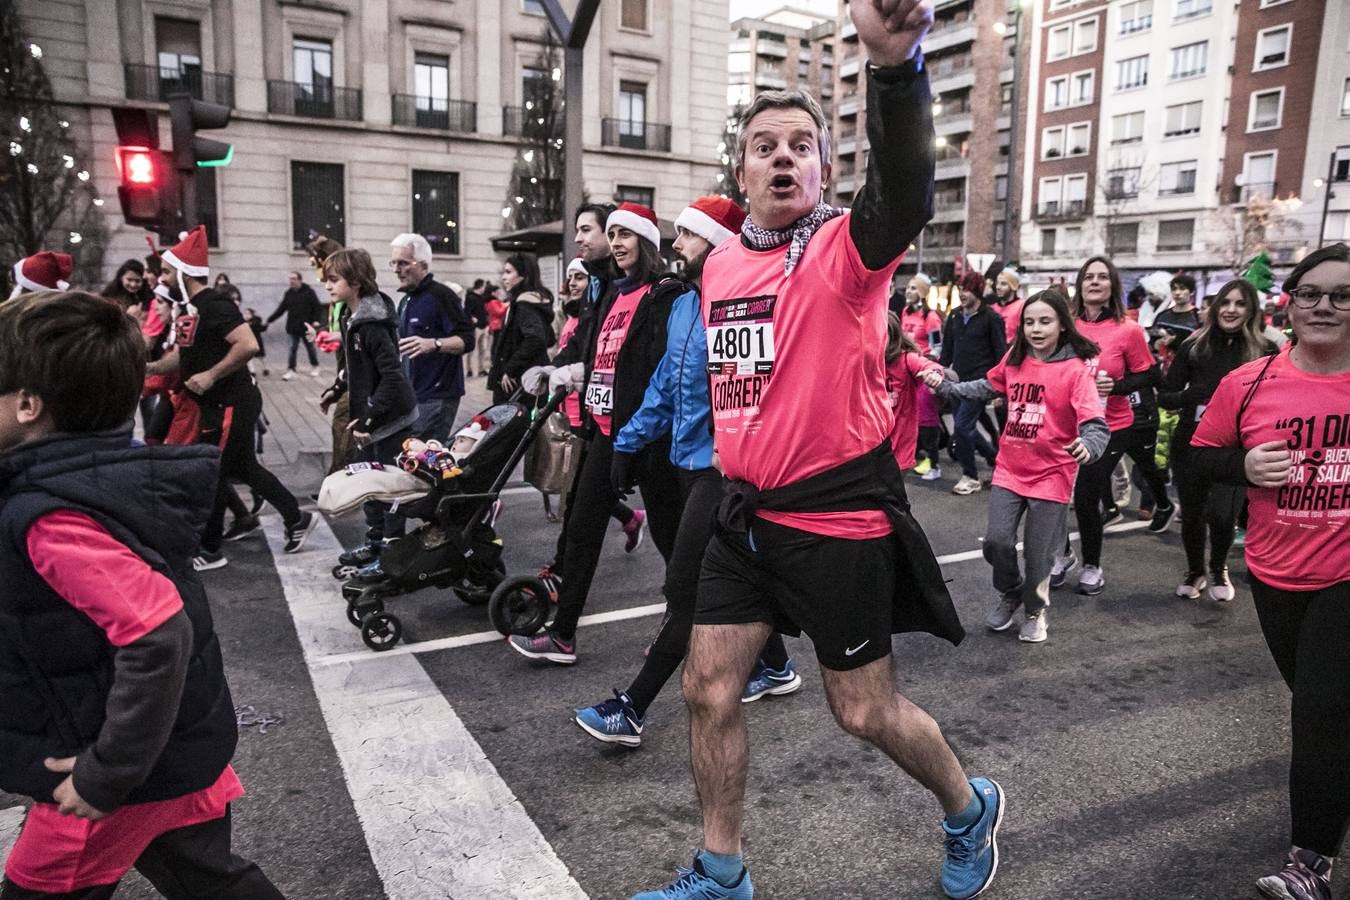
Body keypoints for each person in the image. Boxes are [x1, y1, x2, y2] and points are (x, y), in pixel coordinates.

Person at [631, 3, 1004, 897]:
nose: (784, 155)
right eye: (766, 144)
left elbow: (906, 193)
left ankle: (968, 807)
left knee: (863, 709)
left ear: (825, 168)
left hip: (837, 517)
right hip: (744, 514)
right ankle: (722, 872)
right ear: (742, 169)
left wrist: (892, 67)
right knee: (708, 687)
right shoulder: (719, 267)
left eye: (802, 143)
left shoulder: (844, 250)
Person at [0, 291, 284, 900]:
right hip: (167, 750)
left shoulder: (50, 515)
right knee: (208, 880)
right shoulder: (100, 480)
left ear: (27, 405)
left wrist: (107, 773)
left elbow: (158, 633)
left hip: (110, 771)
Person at [571, 196, 801, 747]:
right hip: (683, 463)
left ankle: (631, 706)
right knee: (728, 578)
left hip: (727, 471)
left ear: (718, 244)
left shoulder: (752, 302)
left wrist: (748, 456)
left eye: (687, 237)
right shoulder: (680, 306)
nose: (676, 245)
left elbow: (766, 391)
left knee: (687, 586)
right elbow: (665, 389)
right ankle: (776, 666)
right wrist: (627, 443)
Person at [1190, 243, 1350, 900]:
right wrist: (1242, 468)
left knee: (1320, 710)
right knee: (1321, 705)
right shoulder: (1249, 383)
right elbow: (1195, 463)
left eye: (1343, 295)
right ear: (1290, 301)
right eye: (1311, 292)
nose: (1324, 306)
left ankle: (1310, 863)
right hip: (1275, 572)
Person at [509, 202, 684, 666]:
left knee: (676, 544)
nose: (619, 242)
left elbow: (660, 375)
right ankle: (563, 635)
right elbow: (599, 359)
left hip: (651, 440)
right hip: (607, 435)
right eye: (614, 234)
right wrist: (571, 378)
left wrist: (637, 429)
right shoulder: (611, 294)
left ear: (646, 241)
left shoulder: (662, 294)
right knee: (581, 530)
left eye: (627, 234)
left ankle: (753, 650)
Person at [927, 288, 1108, 643]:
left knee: (1040, 556)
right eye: (1029, 322)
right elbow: (985, 386)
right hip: (1010, 468)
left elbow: (1094, 423)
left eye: (1045, 321)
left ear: (1062, 326)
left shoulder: (1074, 371)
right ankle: (1011, 591)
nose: (1036, 329)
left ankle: (1034, 609)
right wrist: (950, 388)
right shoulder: (1015, 360)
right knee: (996, 542)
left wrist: (1089, 445)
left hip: (1053, 474)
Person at [145, 226, 314, 570]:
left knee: (217, 471)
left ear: (183, 272)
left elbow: (248, 344)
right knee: (238, 468)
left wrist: (210, 376)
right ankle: (295, 519)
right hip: (220, 404)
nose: (160, 279)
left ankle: (210, 550)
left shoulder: (215, 304)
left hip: (231, 402)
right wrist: (148, 368)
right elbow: (184, 356)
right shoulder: (190, 309)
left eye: (165, 271)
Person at [1047, 255, 1172, 596]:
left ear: (1112, 286)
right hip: (1064, 424)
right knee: (1053, 495)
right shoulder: (1066, 324)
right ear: (1080, 283)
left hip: (1110, 425)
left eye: (1102, 277)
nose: (1095, 282)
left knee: (1087, 497)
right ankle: (1064, 555)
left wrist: (1115, 387)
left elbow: (1151, 374)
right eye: (1089, 277)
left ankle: (1092, 566)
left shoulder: (1127, 329)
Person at [1160, 277, 1277, 601]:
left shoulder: (1265, 351)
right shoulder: (1194, 346)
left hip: (1237, 449)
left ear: (1251, 309)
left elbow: (1277, 400)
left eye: (1239, 303)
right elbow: (1166, 396)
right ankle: (1195, 570)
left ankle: (1219, 567)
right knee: (1194, 513)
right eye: (1225, 302)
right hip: (1191, 444)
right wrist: (1190, 396)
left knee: (1223, 515)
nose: (1230, 309)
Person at [320, 249, 417, 557]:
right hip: (373, 417)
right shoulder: (352, 317)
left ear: (356, 282)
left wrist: (369, 417)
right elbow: (356, 365)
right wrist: (337, 388)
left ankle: (393, 549)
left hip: (392, 419)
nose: (328, 286)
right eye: (327, 280)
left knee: (388, 487)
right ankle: (376, 543)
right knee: (367, 482)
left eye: (334, 280)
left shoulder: (372, 324)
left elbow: (393, 377)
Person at [389, 234, 475, 444]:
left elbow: (467, 339)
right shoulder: (407, 299)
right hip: (414, 394)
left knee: (425, 458)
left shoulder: (441, 296)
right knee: (411, 454)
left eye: (403, 263)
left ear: (423, 265)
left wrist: (434, 344)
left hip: (438, 396)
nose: (396, 269)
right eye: (394, 263)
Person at [939, 268, 1006, 495]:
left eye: (966, 289)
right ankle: (995, 460)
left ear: (977, 291)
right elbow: (946, 352)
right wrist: (938, 373)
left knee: (962, 426)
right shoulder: (955, 316)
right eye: (960, 288)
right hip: (958, 382)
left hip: (981, 383)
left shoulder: (992, 318)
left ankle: (970, 476)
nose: (962, 293)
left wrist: (999, 389)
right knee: (965, 429)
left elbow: (1000, 355)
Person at [488, 253, 553, 404]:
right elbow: (547, 338)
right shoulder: (524, 302)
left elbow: (536, 339)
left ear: (523, 275)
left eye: (509, 272)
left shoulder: (525, 304)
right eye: (504, 272)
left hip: (521, 382)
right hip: (526, 380)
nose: (504, 277)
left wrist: (510, 368)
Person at [266, 271, 324, 379]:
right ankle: (291, 370)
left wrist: (316, 320)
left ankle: (315, 366)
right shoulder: (289, 293)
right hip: (292, 327)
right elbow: (281, 309)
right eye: (290, 279)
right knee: (292, 348)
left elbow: (317, 307)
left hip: (307, 327)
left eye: (293, 279)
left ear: (299, 280)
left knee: (310, 348)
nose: (291, 281)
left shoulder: (309, 292)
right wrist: (269, 320)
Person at [900, 272, 942, 357]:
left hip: (922, 364)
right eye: (907, 287)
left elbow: (937, 347)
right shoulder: (905, 311)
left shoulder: (931, 317)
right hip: (905, 362)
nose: (908, 291)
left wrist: (926, 362)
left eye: (913, 288)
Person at [464, 278, 490, 377]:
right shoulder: (470, 297)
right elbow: (467, 312)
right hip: (475, 327)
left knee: (483, 349)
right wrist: (472, 319)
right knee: (472, 349)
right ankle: (469, 369)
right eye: (483, 286)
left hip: (483, 326)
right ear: (480, 286)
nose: (484, 288)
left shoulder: (481, 298)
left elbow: (484, 311)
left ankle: (481, 369)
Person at [991, 267, 1023, 346]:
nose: (998, 287)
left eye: (1003, 284)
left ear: (1013, 286)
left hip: (1014, 352)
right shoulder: (992, 308)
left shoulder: (1022, 306)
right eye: (997, 283)